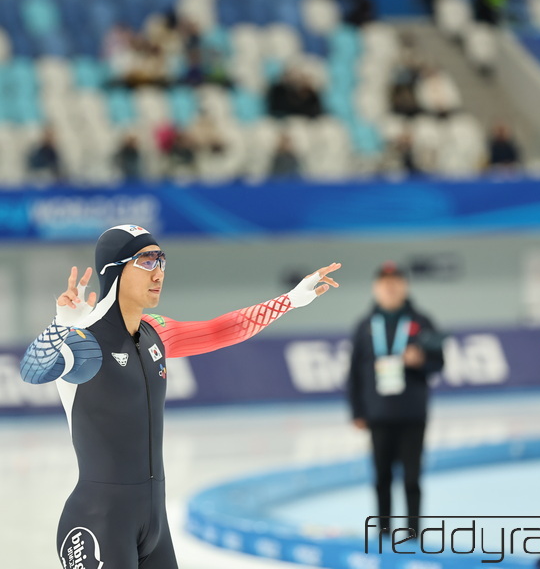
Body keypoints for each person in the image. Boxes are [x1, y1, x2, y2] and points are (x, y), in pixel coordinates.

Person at [20, 224, 341, 569]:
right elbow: (32, 370)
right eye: (146, 261)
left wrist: (290, 300)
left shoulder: (155, 332)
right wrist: (60, 325)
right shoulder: (84, 341)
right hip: (99, 522)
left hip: (153, 525)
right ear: (114, 270)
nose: (158, 272)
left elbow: (219, 330)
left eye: (161, 261)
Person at [347, 262, 445, 538]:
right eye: (384, 283)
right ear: (375, 288)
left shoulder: (422, 322)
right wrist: (357, 411)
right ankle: (383, 532)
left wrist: (421, 361)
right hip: (378, 414)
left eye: (395, 282)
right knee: (382, 478)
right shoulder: (365, 326)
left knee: (412, 478)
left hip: (412, 413)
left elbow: (439, 363)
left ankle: (413, 534)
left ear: (405, 286)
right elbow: (354, 373)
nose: (390, 287)